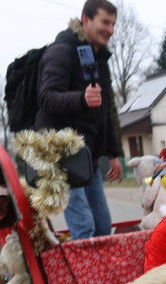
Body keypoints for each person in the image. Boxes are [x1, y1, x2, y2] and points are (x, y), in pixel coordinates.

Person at [35, 0, 123, 240]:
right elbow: (46, 98)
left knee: (103, 225)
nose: (111, 30)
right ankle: (86, 277)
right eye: (105, 22)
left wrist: (114, 153)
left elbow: (106, 111)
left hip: (88, 155)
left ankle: (102, 276)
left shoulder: (99, 59)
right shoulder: (62, 50)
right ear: (86, 20)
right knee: (84, 226)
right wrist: (81, 98)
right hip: (63, 151)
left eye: (113, 24)